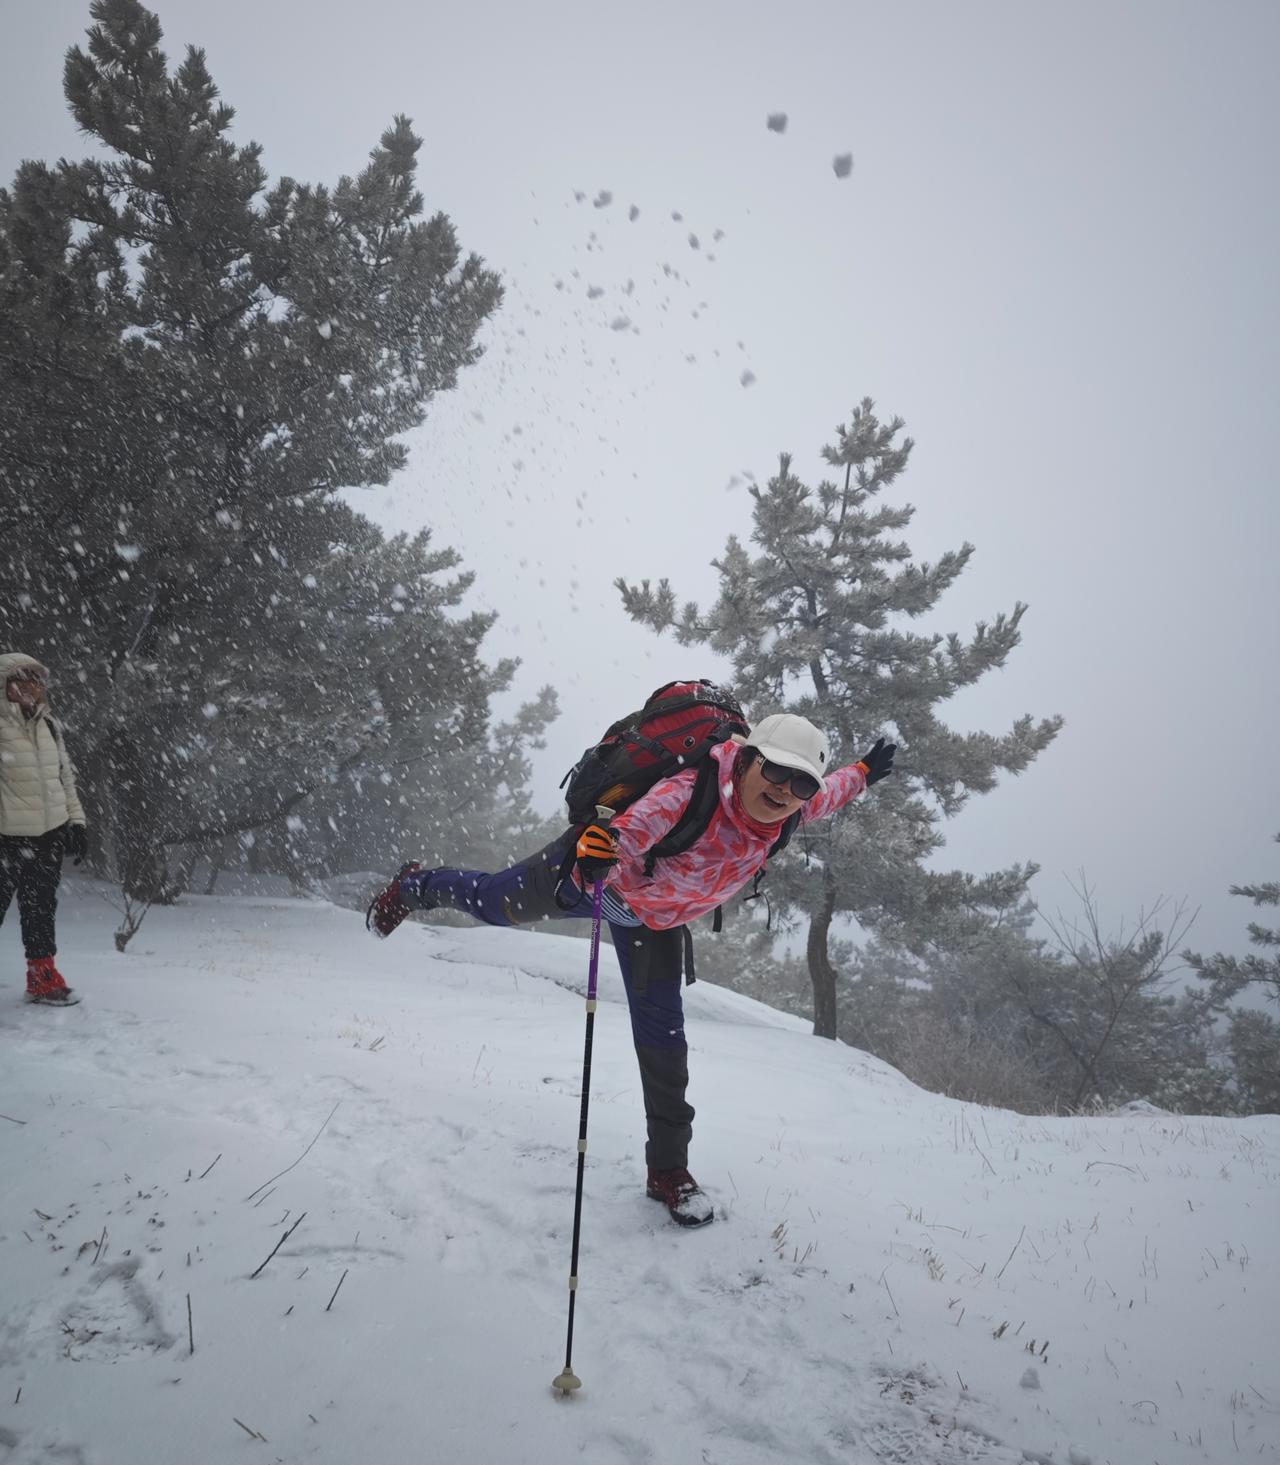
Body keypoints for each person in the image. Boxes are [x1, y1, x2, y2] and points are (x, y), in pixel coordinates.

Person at [367, 711, 895, 1226]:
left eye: (800, 781)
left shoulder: (796, 807)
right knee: (490, 904)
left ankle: (668, 1170)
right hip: (591, 880)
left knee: (664, 1041)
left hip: (655, 922)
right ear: (748, 759)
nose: (784, 789)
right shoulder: (689, 791)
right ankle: (414, 885)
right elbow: (631, 832)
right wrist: (601, 854)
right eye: (775, 770)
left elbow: (834, 791)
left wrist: (865, 772)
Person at [0, 653, 88, 1006]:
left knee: (40, 911)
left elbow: (64, 776)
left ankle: (42, 978)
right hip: (5, 838)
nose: (27, 687)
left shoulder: (48, 724)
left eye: (34, 681)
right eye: (19, 680)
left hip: (47, 835)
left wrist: (77, 822)